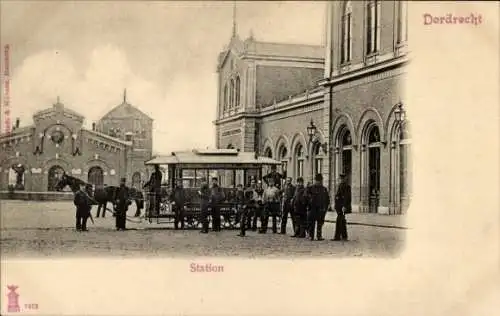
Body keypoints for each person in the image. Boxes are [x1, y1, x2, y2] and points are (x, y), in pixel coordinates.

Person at [307, 174, 330, 241]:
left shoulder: (324, 189)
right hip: (313, 208)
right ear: (315, 180)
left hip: (321, 209)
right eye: (318, 181)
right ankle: (311, 236)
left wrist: (326, 207)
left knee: (320, 223)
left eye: (320, 181)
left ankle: (319, 236)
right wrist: (309, 203)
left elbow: (327, 199)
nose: (319, 182)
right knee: (312, 223)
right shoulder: (311, 188)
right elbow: (306, 196)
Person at [332, 174, 351, 241]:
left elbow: (347, 197)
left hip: (342, 207)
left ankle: (337, 237)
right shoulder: (340, 185)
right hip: (339, 207)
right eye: (340, 178)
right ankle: (344, 236)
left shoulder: (346, 186)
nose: (340, 180)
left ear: (343, 179)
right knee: (342, 221)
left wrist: (344, 206)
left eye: (341, 179)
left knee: (339, 221)